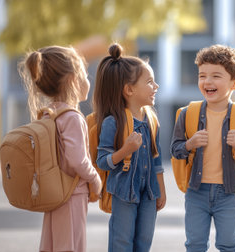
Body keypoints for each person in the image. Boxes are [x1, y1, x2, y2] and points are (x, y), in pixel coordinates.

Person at [170, 44, 235, 252]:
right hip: (196, 191)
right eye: (202, 76)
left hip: (228, 192)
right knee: (195, 245)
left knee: (229, 245)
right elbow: (175, 149)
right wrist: (190, 144)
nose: (207, 81)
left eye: (216, 76)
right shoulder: (187, 113)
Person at [18, 46, 102, 252]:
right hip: (72, 195)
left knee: (52, 244)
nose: (88, 81)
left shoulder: (48, 115)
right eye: (85, 74)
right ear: (73, 79)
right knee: (71, 245)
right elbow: (77, 159)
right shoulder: (72, 117)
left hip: (53, 194)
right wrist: (95, 179)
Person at [94, 43, 166, 252]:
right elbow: (102, 161)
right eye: (150, 82)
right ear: (129, 89)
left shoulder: (151, 120)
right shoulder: (113, 122)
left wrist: (160, 189)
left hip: (149, 193)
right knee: (122, 243)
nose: (156, 86)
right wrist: (125, 151)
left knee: (143, 243)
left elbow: (156, 159)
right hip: (124, 192)